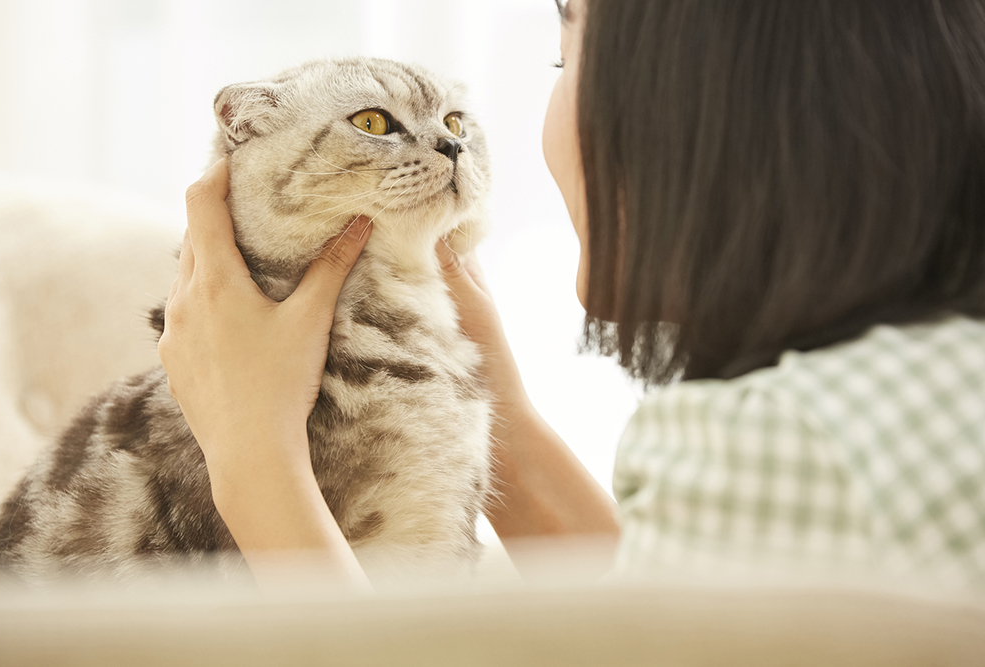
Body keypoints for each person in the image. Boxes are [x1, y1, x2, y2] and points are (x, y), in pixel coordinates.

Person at [159, 0, 985, 590]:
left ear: (693, 104)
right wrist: (496, 411)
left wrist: (253, 458)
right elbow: (670, 635)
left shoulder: (780, 439)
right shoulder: (936, 381)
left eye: (567, 57)